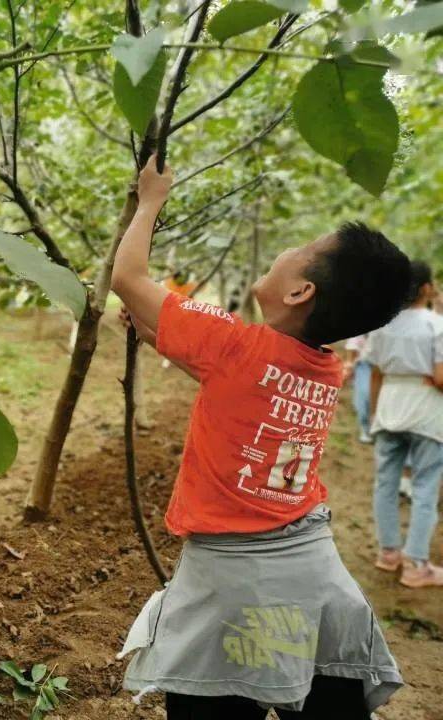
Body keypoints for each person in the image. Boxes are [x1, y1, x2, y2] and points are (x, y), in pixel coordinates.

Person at [113, 157, 409, 718]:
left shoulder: (235, 343)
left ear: (299, 290)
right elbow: (232, 380)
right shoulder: (324, 369)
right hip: (313, 572)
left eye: (301, 248)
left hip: (232, 581)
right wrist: (156, 334)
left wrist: (150, 200)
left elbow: (127, 279)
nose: (287, 248)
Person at [368, 260, 443, 587]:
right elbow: (441, 378)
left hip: (389, 405)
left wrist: (373, 413)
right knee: (425, 486)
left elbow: (374, 372)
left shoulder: (383, 324)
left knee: (385, 482)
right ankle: (416, 565)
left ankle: (388, 553)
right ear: (426, 288)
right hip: (425, 408)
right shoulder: (436, 325)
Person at [344, 334, 373, 443]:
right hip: (363, 366)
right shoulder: (359, 332)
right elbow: (351, 355)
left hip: (382, 366)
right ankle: (365, 430)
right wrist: (350, 369)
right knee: (363, 398)